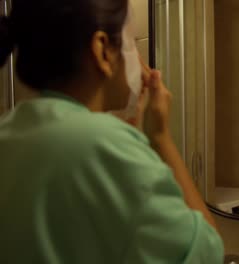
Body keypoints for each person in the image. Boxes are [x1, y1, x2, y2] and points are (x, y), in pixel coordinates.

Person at [0, 0, 223, 263]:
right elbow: (208, 255)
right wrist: (160, 139)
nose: (142, 63)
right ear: (102, 50)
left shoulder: (9, 132)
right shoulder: (105, 146)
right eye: (131, 43)